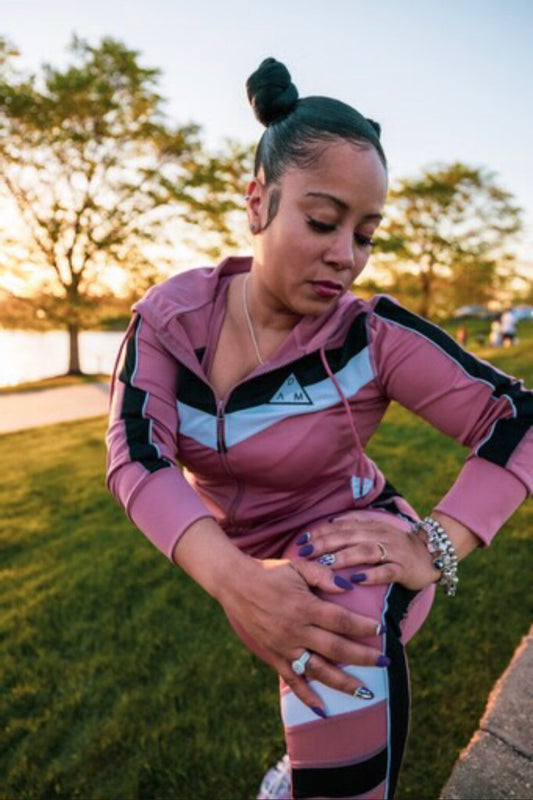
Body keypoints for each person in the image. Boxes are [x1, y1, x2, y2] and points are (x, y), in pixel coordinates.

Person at [105, 57, 532, 800]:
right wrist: (236, 581)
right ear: (257, 202)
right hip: (243, 560)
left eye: (365, 234)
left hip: (354, 542)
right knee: (313, 654)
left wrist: (437, 542)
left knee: (341, 605)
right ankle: (314, 759)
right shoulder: (171, 319)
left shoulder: (369, 336)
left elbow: (518, 419)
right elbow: (136, 456)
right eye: (323, 221)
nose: (346, 257)